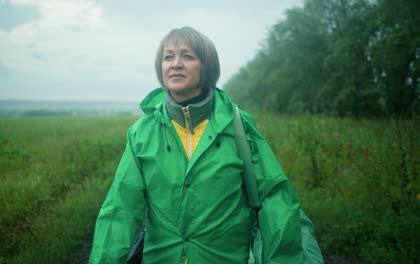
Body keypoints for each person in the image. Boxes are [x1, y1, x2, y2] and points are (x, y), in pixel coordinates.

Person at [89, 26, 305, 264]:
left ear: (207, 67)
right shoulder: (142, 133)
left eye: (188, 56)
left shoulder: (238, 126)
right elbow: (120, 210)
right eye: (168, 57)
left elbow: (275, 200)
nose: (176, 63)